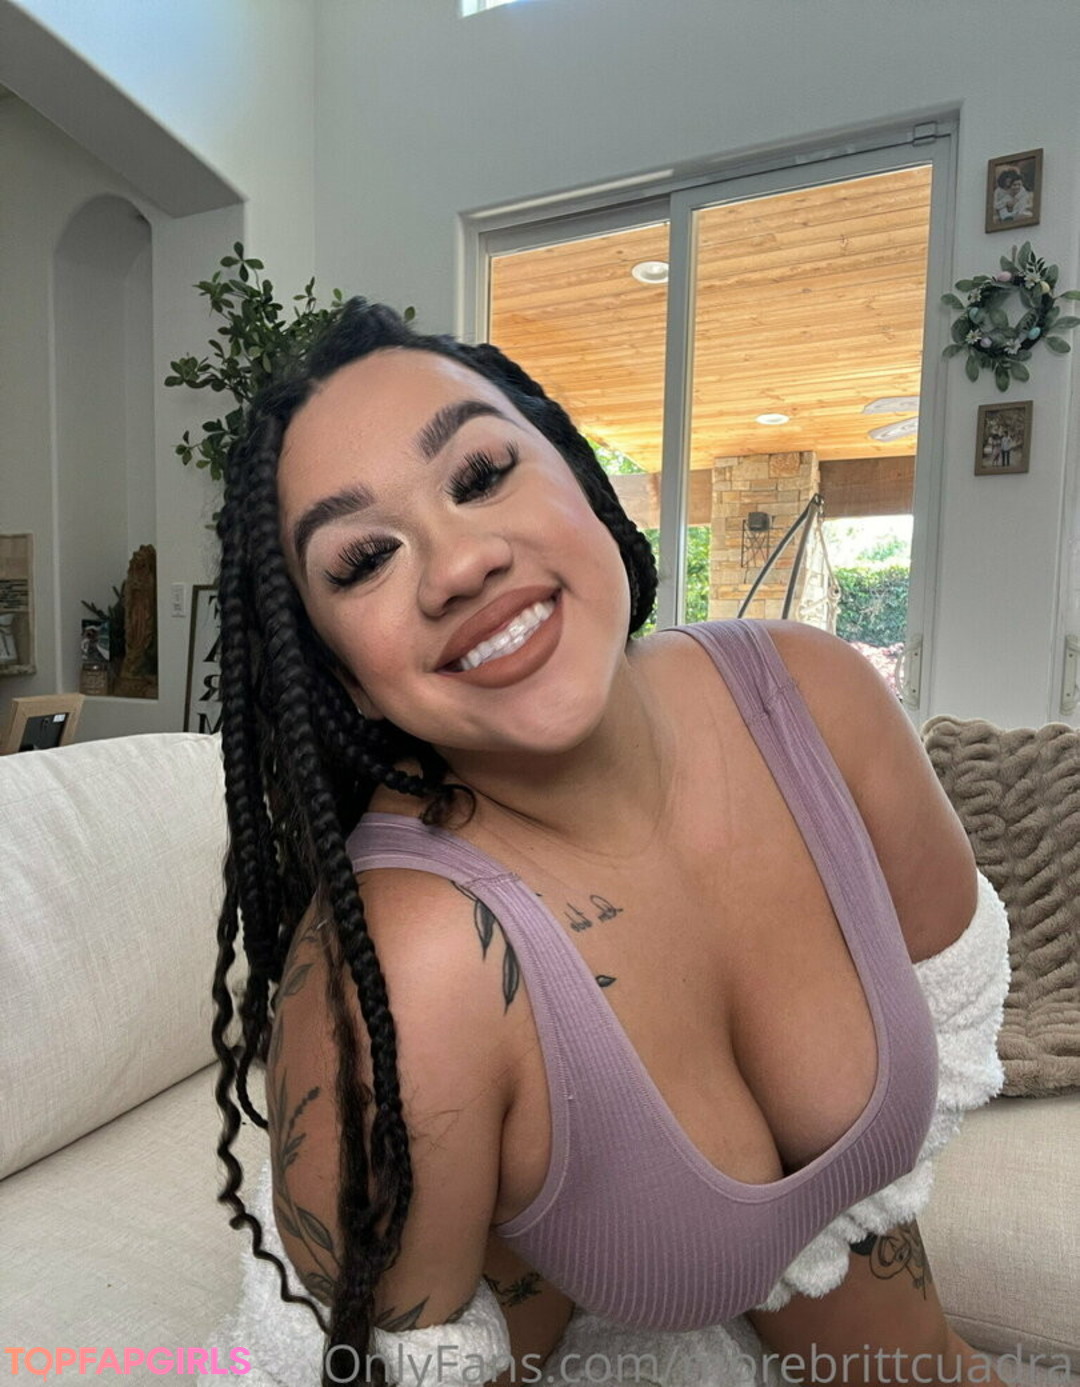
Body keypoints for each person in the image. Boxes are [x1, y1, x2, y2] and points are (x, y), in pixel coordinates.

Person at [212, 299, 1009, 1386]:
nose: (458, 563)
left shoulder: (817, 699)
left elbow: (913, 1342)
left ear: (584, 481)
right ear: (342, 674)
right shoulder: (413, 975)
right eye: (363, 560)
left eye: (481, 473)